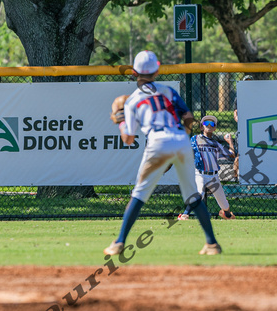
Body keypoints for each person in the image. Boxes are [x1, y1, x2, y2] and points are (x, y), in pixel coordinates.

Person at [104, 50, 222, 256]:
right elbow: (188, 115)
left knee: (139, 194)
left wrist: (122, 121)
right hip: (181, 141)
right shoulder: (167, 91)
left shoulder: (131, 101)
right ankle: (212, 244)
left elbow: (129, 139)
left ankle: (119, 242)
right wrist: (183, 134)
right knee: (193, 195)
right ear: (157, 71)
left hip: (158, 142)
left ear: (134, 72)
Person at [178, 115, 237, 220]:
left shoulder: (215, 144)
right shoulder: (195, 139)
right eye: (206, 123)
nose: (209, 125)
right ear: (201, 127)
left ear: (214, 128)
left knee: (224, 204)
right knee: (199, 193)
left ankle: (227, 214)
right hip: (200, 173)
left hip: (213, 176)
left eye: (212, 124)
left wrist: (230, 142)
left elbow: (232, 154)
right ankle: (184, 215)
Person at [233, 75, 253, 179]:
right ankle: (235, 177)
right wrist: (240, 120)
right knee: (239, 155)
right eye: (246, 82)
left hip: (254, 128)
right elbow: (235, 113)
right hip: (242, 129)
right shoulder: (238, 98)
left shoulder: (256, 97)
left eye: (250, 82)